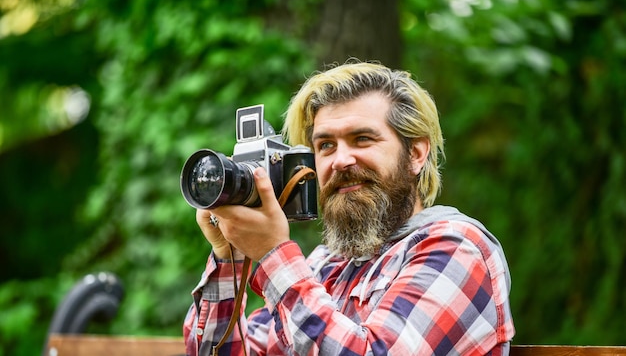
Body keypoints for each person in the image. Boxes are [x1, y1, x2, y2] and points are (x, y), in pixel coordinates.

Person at [183, 61, 515, 355]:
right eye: (326, 145)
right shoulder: (325, 265)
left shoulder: (456, 248)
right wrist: (228, 257)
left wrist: (272, 253)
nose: (341, 161)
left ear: (415, 154)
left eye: (362, 139)